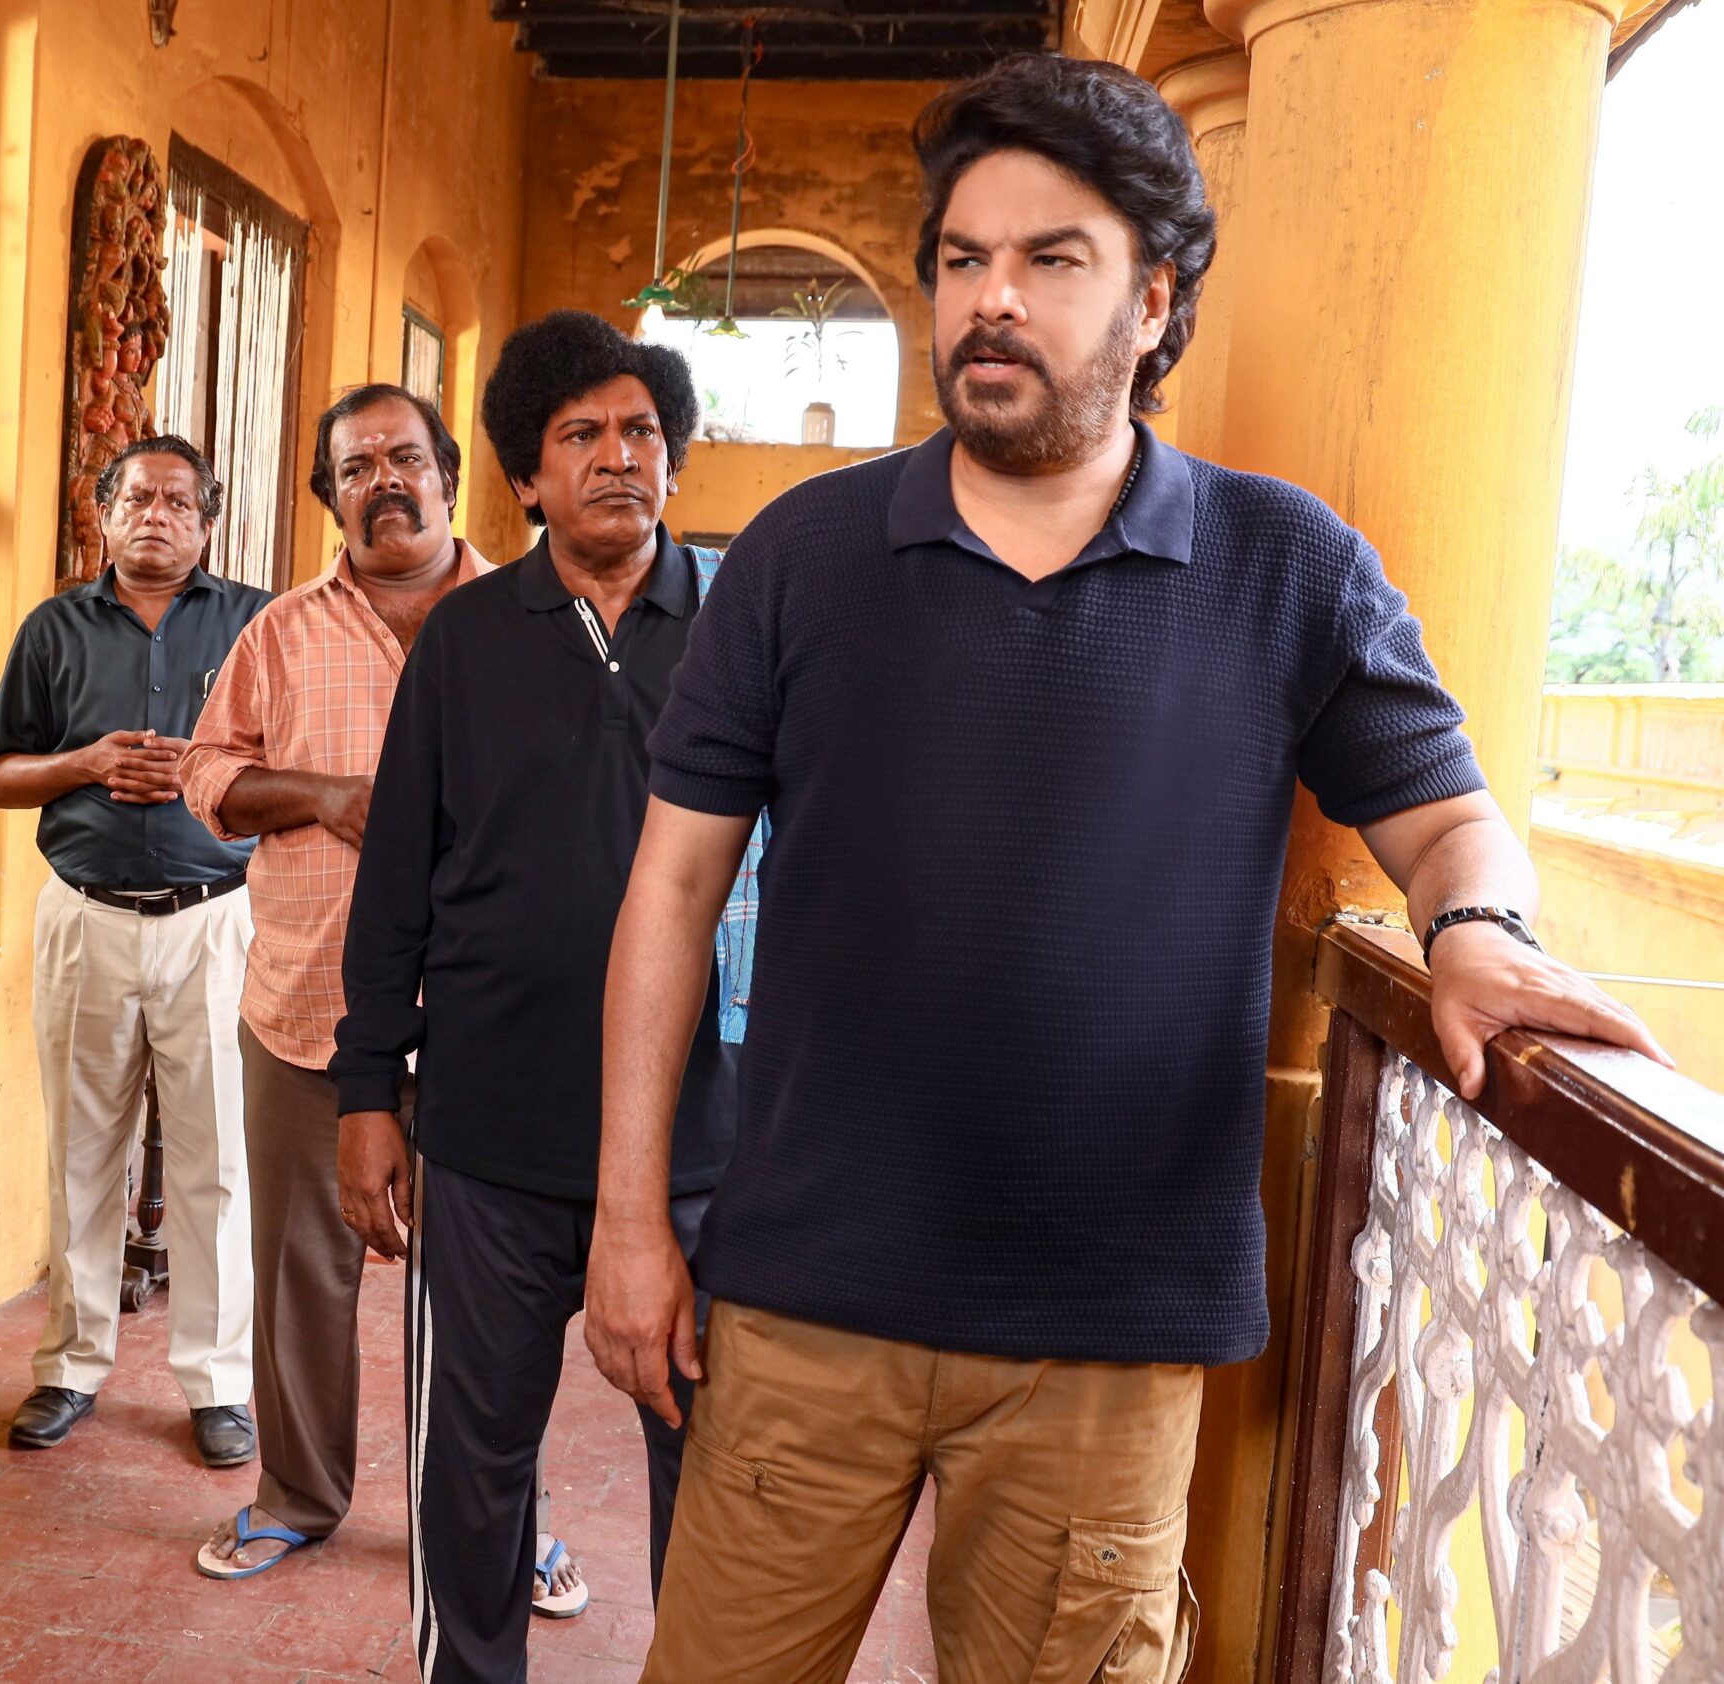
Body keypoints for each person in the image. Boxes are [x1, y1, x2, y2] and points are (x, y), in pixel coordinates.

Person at [583, 54, 1671, 1684]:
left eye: (1052, 258)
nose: (991, 299)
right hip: (807, 1300)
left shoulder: (1284, 564)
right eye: (963, 258)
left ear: (1155, 299)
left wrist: (1476, 928)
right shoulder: (806, 555)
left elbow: (1447, 818)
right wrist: (630, 1221)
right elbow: (671, 890)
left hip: (1106, 1336)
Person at [331, 313, 750, 1682]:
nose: (618, 457)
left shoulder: (743, 633)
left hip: (703, 1150)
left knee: (714, 1472)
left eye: (641, 432)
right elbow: (395, 885)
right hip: (490, 1140)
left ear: (674, 458)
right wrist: (367, 1093)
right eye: (582, 435)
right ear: (525, 476)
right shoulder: (463, 641)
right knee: (472, 1471)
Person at [182, 385, 595, 1614]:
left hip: (492, 1026)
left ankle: (503, 1518)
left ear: (450, 476)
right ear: (330, 496)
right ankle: (300, 1493)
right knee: (301, 1276)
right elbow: (207, 774)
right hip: (306, 1007)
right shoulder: (279, 634)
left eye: (404, 458)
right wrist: (321, 794)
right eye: (356, 467)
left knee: (493, 1297)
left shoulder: (537, 617)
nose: (384, 482)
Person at [0, 434, 271, 1467]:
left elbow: (297, 764)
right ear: (105, 514)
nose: (157, 516)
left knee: (217, 1161)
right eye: (137, 498)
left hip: (215, 920)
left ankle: (218, 1385)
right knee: (82, 1151)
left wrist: (204, 775)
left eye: (179, 502)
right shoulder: (54, 628)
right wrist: (87, 763)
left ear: (208, 523)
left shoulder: (256, 625)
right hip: (85, 917)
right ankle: (69, 1365)